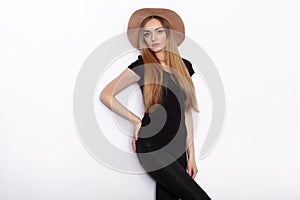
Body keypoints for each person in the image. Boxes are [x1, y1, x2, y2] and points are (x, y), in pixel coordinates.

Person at [100, 8, 211, 200]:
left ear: (168, 34)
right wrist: (136, 121)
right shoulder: (142, 66)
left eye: (159, 31)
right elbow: (106, 94)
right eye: (147, 34)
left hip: (178, 149)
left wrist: (191, 155)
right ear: (143, 39)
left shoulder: (184, 66)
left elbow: (186, 114)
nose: (154, 38)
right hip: (152, 146)